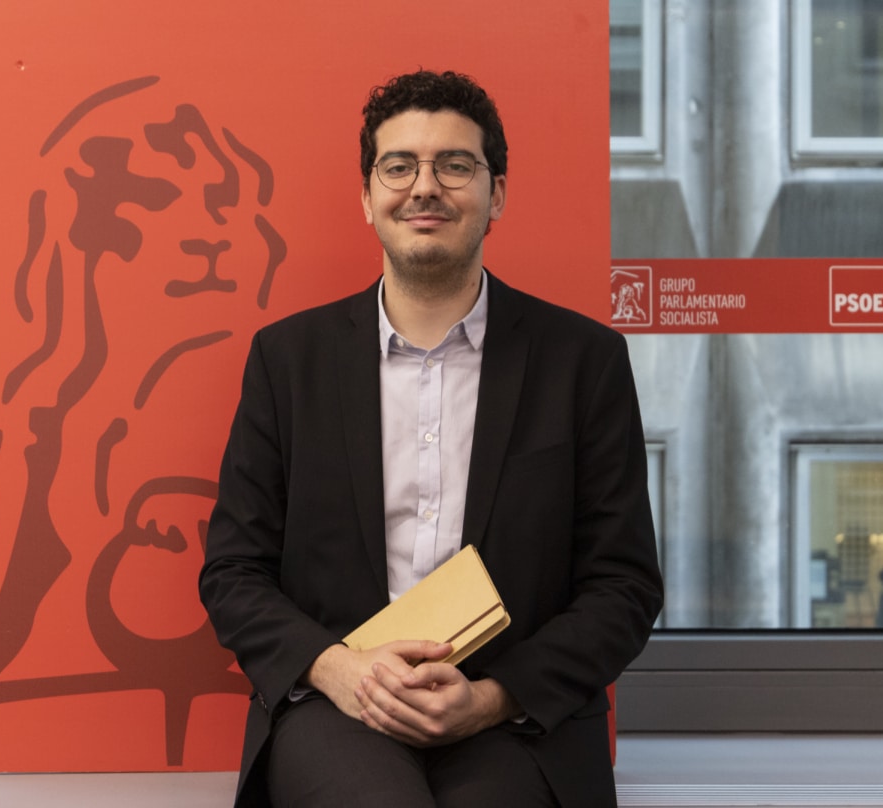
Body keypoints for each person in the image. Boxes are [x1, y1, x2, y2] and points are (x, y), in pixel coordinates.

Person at [198, 69, 664, 807]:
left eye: (455, 164)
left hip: (518, 715)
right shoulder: (289, 361)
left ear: (496, 194)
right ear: (367, 196)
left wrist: (491, 697)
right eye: (399, 166)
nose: (425, 187)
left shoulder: (583, 362)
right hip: (336, 705)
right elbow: (232, 571)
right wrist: (338, 669)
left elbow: (625, 586)